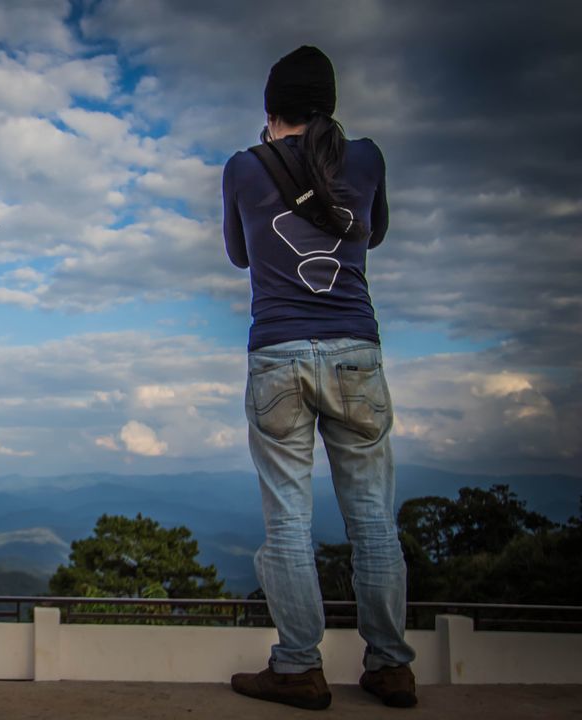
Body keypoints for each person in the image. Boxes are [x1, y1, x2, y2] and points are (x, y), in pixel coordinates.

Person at [221, 46, 417, 710]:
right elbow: (375, 234)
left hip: (277, 354)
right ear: (329, 106)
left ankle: (299, 666)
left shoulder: (245, 167)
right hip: (357, 351)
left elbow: (239, 252)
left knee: (288, 523)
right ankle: (390, 666)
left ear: (271, 112)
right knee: (373, 520)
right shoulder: (365, 159)